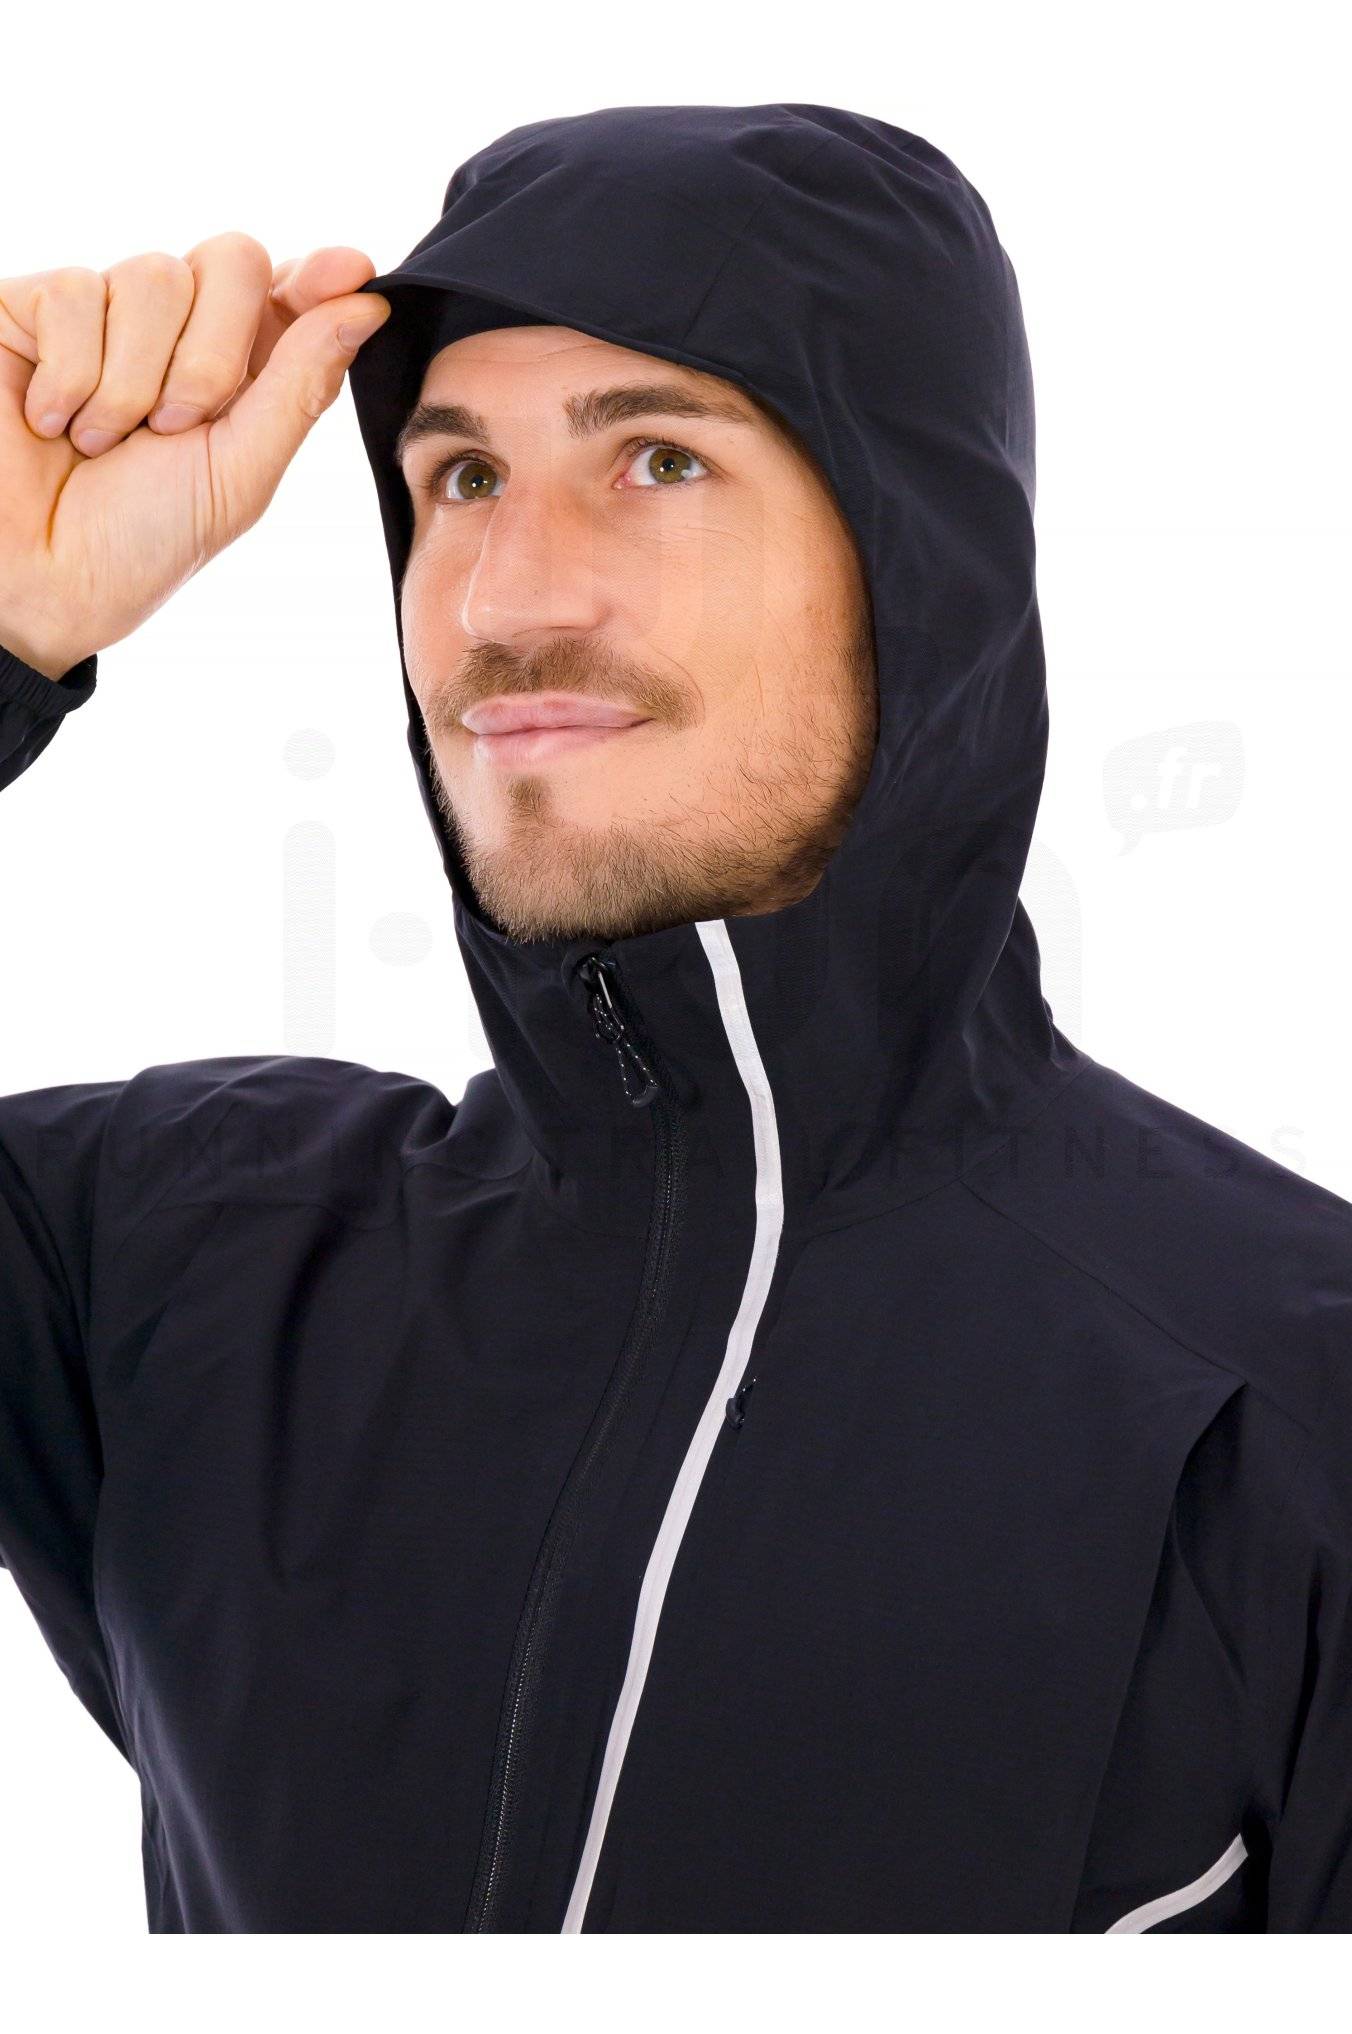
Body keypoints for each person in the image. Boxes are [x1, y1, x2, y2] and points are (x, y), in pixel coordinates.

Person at [1, 102, 1349, 1935]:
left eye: (657, 459)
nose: (508, 598)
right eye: (461, 477)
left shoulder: (1288, 1405)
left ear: (922, 561)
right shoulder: (174, 1261)